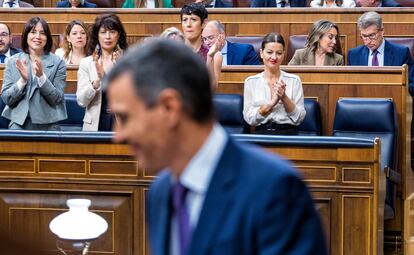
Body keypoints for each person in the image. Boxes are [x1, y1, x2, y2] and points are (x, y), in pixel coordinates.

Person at [105, 38, 328, 255]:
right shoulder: (161, 192)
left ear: (169, 108)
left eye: (125, 117)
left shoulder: (275, 189)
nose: (118, 136)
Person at [1, 17, 67, 130]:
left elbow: (57, 99)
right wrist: (22, 81)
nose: (37, 37)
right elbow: (6, 98)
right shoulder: (13, 61)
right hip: (19, 123)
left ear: (47, 38)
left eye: (42, 33)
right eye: (33, 32)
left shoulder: (58, 62)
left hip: (48, 123)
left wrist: (41, 78)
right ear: (26, 36)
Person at [244, 33, 306, 135]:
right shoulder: (251, 82)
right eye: (269, 52)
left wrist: (284, 97)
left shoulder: (294, 80)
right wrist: (271, 104)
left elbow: (299, 118)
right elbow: (250, 119)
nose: (274, 57)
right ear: (261, 53)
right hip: (261, 133)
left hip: (288, 133)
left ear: (284, 54)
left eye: (279, 53)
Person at [76, 13, 127, 132]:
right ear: (97, 36)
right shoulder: (86, 63)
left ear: (118, 35)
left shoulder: (129, 61)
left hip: (121, 123)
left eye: (112, 32)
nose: (108, 37)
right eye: (103, 32)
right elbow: (81, 101)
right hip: (95, 124)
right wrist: (97, 82)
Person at [348, 11, 414, 95]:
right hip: (363, 102)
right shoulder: (354, 55)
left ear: (382, 31)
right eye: (364, 36)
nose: (367, 42)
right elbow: (350, 87)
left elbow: (411, 85)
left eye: (372, 35)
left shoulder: (401, 53)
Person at [181, 3, 222, 89]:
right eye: (184, 20)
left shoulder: (215, 55)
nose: (188, 24)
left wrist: (210, 57)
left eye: (193, 19)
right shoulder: (173, 52)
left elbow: (211, 89)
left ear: (204, 23)